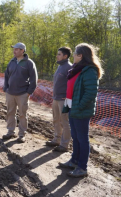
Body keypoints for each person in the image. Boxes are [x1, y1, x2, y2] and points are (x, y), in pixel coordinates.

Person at [59, 43, 103, 177]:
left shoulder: (89, 70)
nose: (73, 56)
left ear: (81, 55)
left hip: (81, 110)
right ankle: (74, 160)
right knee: (76, 137)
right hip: (73, 107)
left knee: (82, 139)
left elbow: (91, 93)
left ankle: (82, 168)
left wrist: (79, 106)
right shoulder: (78, 68)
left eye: (75, 53)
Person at [3, 42, 38, 143]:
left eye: (16, 49)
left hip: (23, 93)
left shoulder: (29, 63)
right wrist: (6, 88)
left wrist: (28, 92)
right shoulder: (12, 61)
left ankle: (22, 134)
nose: (14, 51)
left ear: (22, 51)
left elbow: (34, 79)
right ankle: (10, 132)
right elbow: (6, 75)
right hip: (10, 93)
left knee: (22, 114)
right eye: (14, 49)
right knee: (10, 112)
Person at [46, 47, 72, 152]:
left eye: (59, 54)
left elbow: (73, 84)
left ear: (65, 56)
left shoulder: (70, 67)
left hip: (64, 100)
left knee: (65, 121)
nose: (57, 56)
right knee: (56, 119)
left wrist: (68, 96)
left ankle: (64, 145)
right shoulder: (60, 66)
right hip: (56, 98)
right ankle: (56, 140)